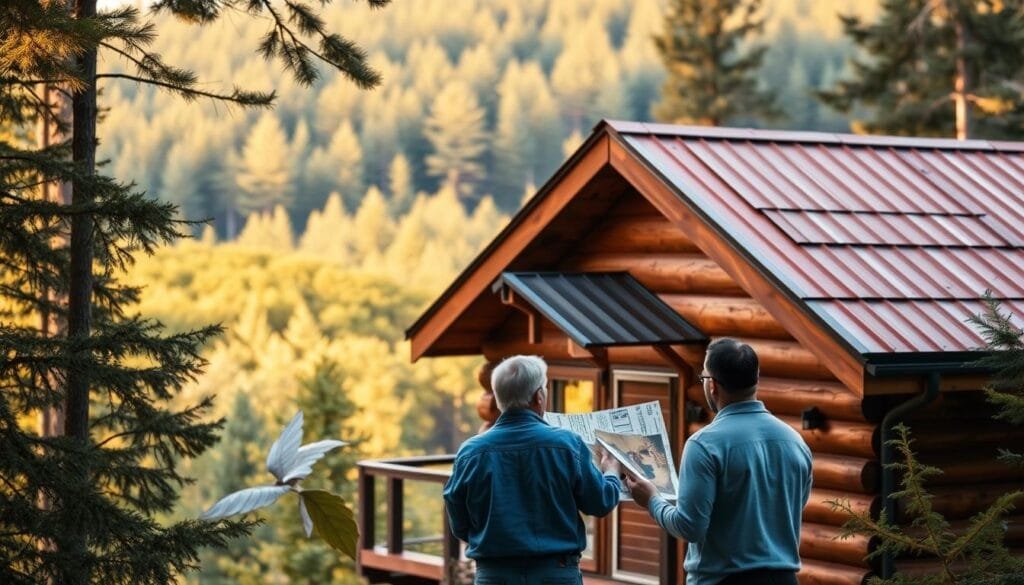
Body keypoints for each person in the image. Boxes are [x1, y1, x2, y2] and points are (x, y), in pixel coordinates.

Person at [625, 339, 812, 585]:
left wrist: (651, 500)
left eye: (703, 378)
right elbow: (792, 507)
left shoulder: (704, 444)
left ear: (712, 385)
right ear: (756, 377)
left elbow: (689, 527)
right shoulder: (795, 441)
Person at [443, 355, 622, 584]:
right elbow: (600, 502)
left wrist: (485, 539)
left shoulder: (471, 452)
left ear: (499, 399)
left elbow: (457, 515)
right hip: (556, 573)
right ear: (539, 396)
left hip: (494, 575)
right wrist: (612, 472)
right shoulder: (567, 444)